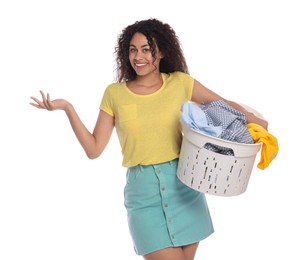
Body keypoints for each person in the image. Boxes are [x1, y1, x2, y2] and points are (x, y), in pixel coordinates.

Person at [30, 18, 268, 260]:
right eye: (133, 49)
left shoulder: (180, 83)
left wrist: (254, 121)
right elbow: (94, 149)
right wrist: (68, 108)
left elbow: (220, 104)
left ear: (161, 51)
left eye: (146, 49)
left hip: (184, 186)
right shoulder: (115, 94)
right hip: (143, 196)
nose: (138, 56)